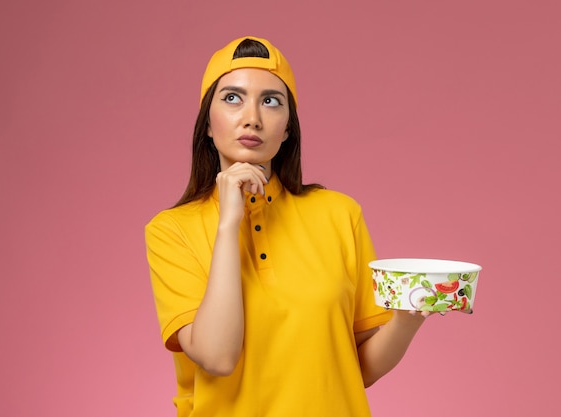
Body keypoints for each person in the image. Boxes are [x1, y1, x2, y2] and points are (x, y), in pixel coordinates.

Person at [145, 36, 430, 417]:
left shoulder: (339, 214)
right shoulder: (171, 230)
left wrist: (408, 319)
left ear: (288, 129)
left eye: (271, 101)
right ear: (208, 126)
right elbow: (217, 356)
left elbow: (356, 368)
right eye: (232, 98)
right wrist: (229, 223)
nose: (252, 117)